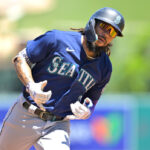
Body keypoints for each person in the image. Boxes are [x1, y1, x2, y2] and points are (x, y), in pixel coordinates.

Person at [0, 7, 125, 150]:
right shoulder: (57, 39)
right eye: (104, 26)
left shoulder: (104, 67)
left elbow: (92, 99)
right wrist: (31, 85)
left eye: (113, 31)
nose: (106, 33)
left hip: (58, 125)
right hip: (26, 115)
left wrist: (86, 109)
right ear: (93, 23)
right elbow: (21, 59)